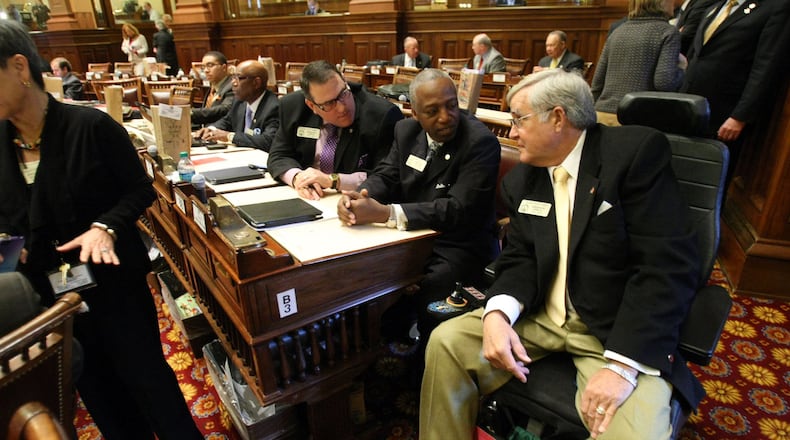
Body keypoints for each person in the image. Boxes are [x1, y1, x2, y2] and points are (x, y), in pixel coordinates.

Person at [419, 69, 703, 440]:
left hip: (611, 331)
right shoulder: (522, 179)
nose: (511, 131)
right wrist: (497, 315)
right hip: (540, 318)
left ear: (557, 118)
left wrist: (620, 367)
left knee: (638, 434)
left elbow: (665, 267)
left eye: (518, 118)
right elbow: (520, 257)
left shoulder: (632, 154)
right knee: (447, 342)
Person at [0, 20, 203, 440]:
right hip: (49, 299)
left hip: (112, 285)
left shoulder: (89, 127)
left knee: (147, 379)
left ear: (19, 67)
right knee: (96, 390)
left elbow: (139, 190)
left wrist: (104, 225)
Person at [337, 68, 500, 340]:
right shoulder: (405, 130)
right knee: (358, 272)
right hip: (412, 234)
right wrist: (360, 196)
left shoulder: (479, 142)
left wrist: (387, 213)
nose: (446, 117)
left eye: (451, 105)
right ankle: (375, 344)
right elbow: (387, 174)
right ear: (415, 113)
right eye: (432, 111)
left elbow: (459, 209)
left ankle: (424, 358)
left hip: (459, 244)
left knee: (432, 288)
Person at [681, 0, 790, 184]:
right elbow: (697, 53)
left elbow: (766, 67)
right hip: (689, 104)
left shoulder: (775, 7)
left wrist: (740, 116)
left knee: (707, 180)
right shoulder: (717, 4)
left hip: (723, 113)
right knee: (681, 171)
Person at [267, 60, 403, 200]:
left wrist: (333, 180)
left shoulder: (381, 115)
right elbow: (279, 155)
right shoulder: (293, 107)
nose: (342, 108)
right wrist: (298, 178)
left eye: (343, 94)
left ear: (345, 82)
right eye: (329, 103)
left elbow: (387, 176)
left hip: (356, 200)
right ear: (311, 105)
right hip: (309, 197)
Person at [591, 0, 685, 126]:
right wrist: (682, 69)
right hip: (638, 119)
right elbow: (664, 83)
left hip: (602, 115)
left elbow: (597, 83)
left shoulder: (617, 32)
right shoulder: (668, 32)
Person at [194, 60, 280, 151]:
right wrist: (211, 129)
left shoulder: (274, 107)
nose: (233, 83)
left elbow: (268, 141)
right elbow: (227, 121)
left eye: (239, 78)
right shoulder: (239, 102)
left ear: (256, 82)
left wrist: (229, 136)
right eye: (233, 77)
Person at [191, 50, 235, 126]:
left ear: (224, 67)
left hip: (219, 131)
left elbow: (225, 109)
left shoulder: (232, 86)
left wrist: (191, 112)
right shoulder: (212, 87)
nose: (206, 70)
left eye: (210, 65)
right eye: (203, 67)